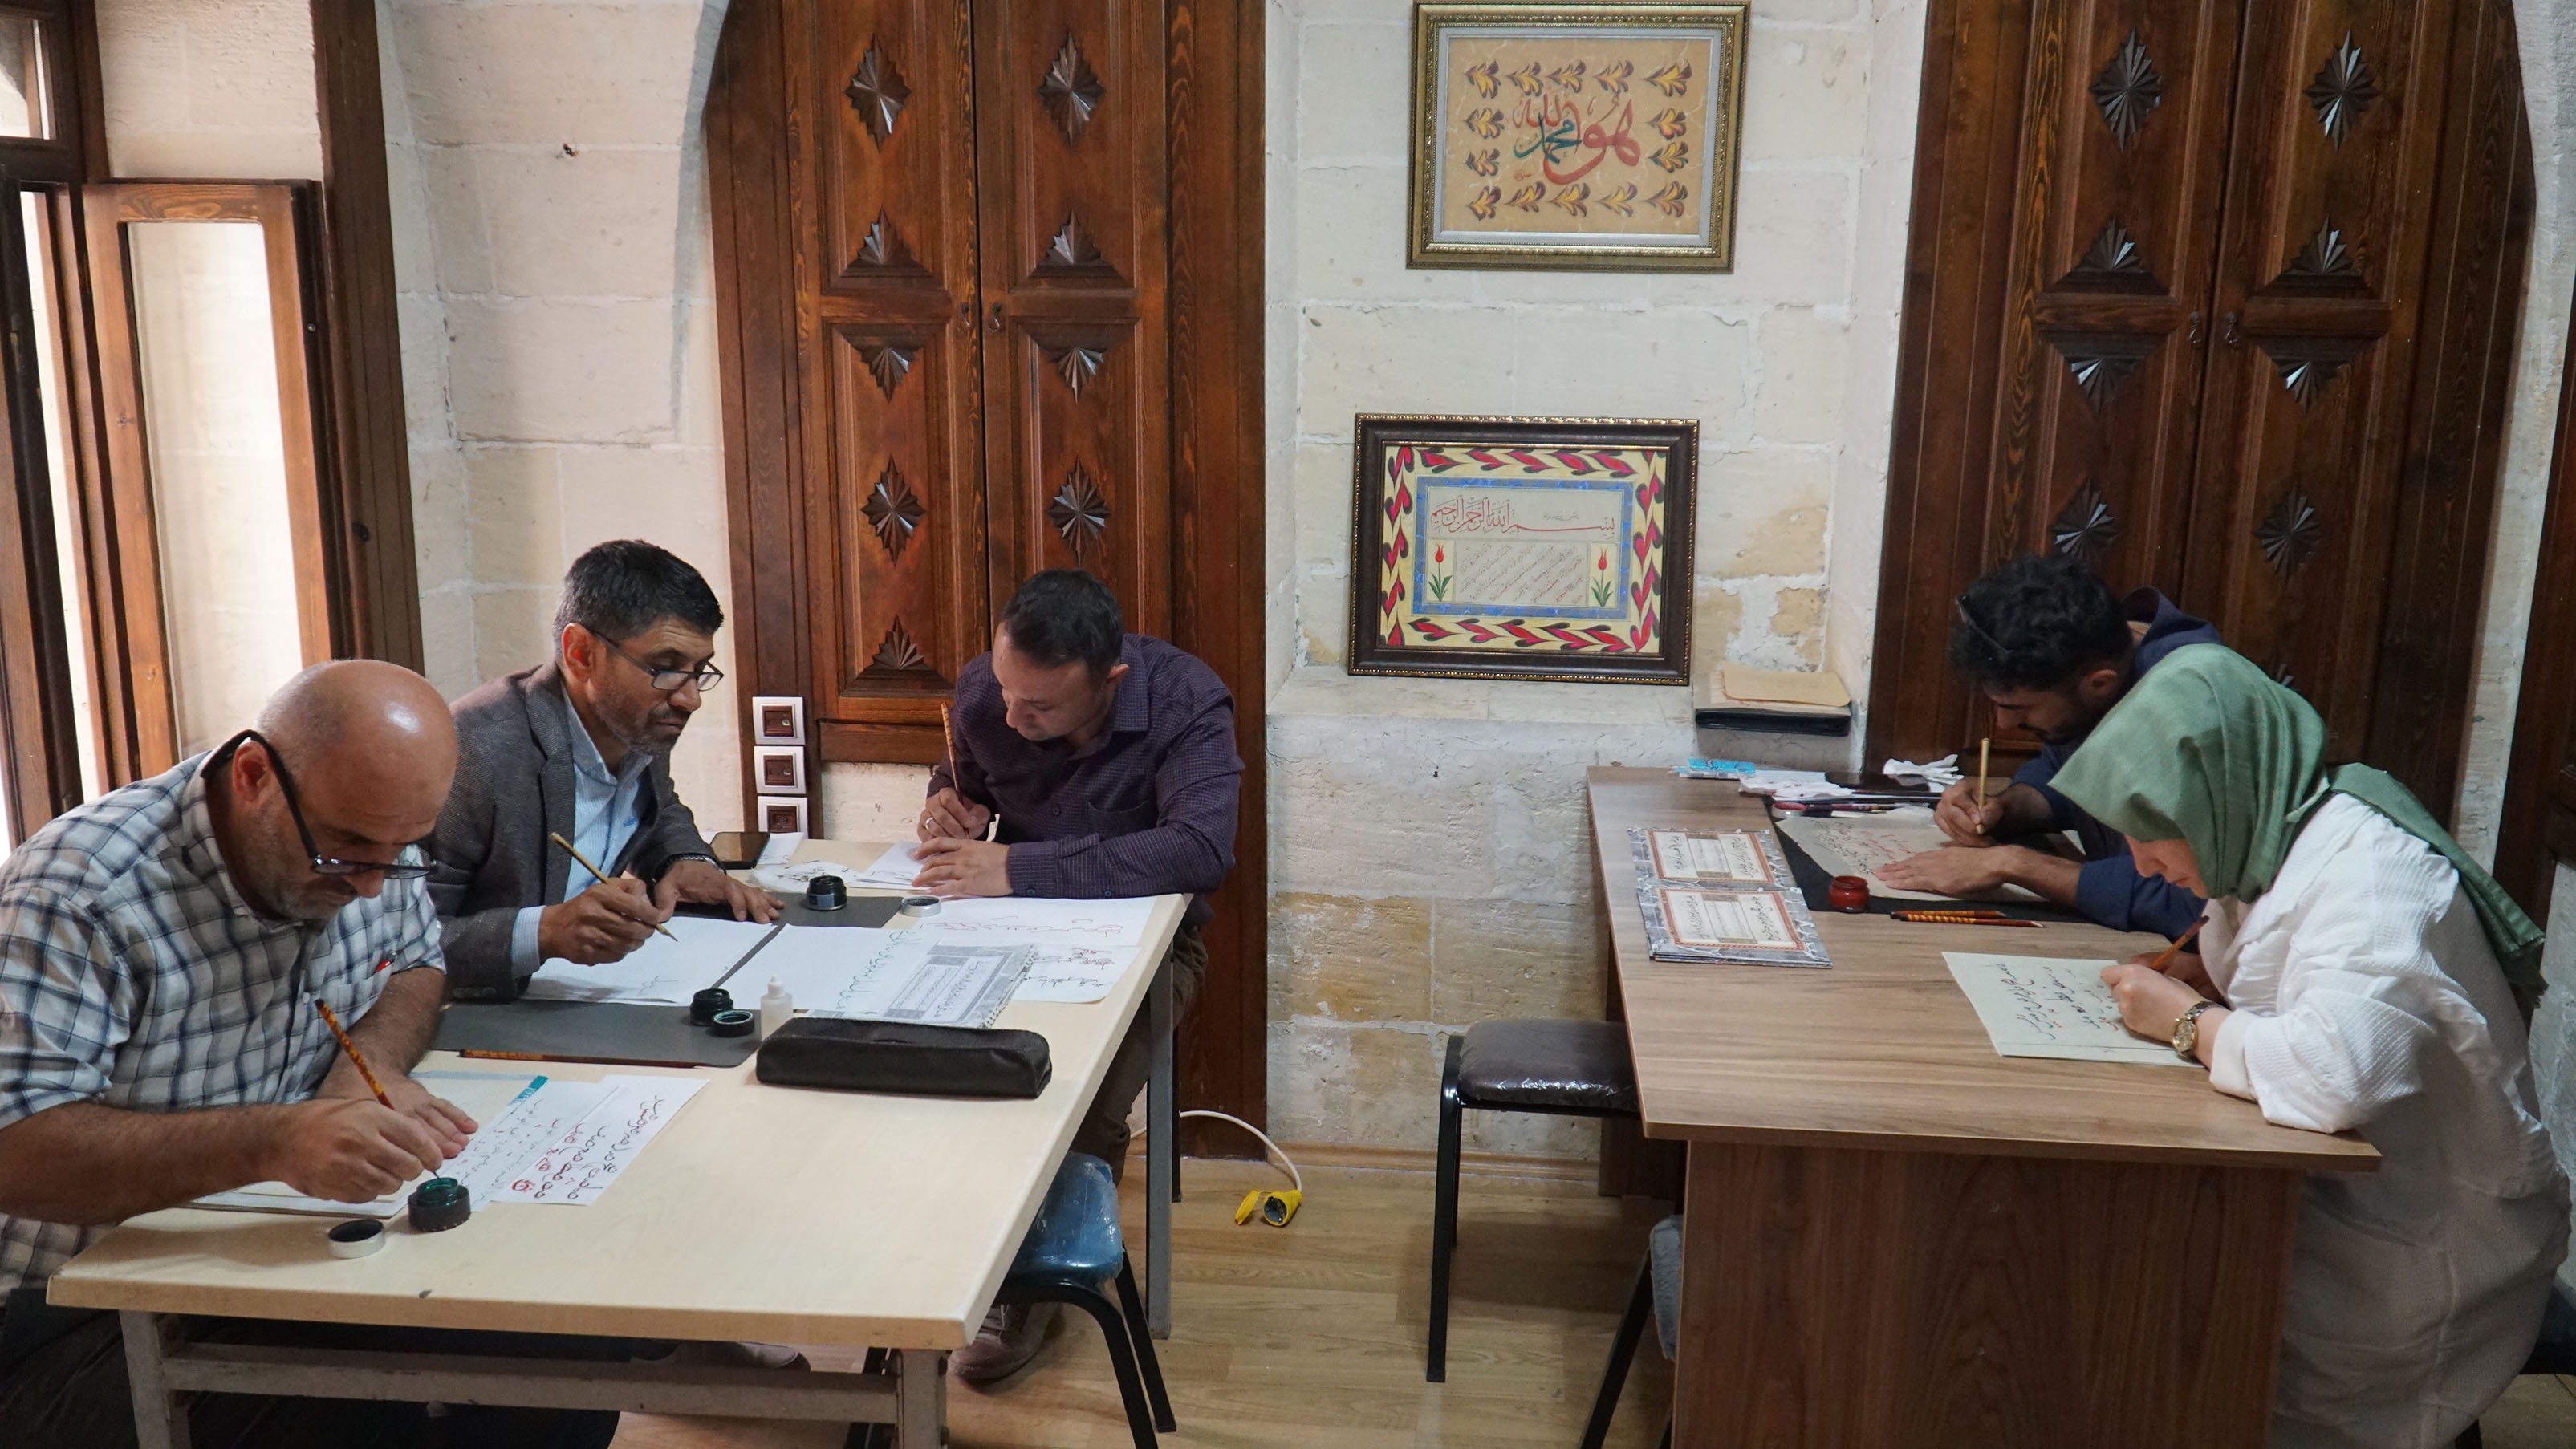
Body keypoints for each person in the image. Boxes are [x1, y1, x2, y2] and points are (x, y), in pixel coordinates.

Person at [0, 660, 621, 1449]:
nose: (371, 888)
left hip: (267, 1244)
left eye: (400, 853)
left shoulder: (373, 841)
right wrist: (276, 1141)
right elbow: (15, 1152)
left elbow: (416, 963)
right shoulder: (80, 894)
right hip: (66, 1313)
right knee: (352, 1416)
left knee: (565, 1352)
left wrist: (370, 1067)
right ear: (253, 776)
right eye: (346, 852)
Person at [2053, 645, 2564, 1448]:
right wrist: (2208, 983)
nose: (2144, 863)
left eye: (2156, 836)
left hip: (2418, 1247)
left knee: (2180, 1331)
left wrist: (2188, 1022)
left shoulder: (2375, 880)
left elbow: (2336, 1076)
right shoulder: (2277, 835)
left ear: (2220, 793)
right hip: (2337, 1201)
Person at [914, 569, 1241, 1386]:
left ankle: (1033, 1286)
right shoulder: (989, 693)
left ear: (1110, 680)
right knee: (920, 1057)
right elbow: (962, 782)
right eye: (1004, 691)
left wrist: (1017, 868)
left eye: (1039, 707)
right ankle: (934, 1256)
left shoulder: (1185, 701)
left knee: (1072, 1095)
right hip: (999, 931)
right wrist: (945, 805)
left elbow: (1199, 851)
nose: (1011, 717)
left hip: (1150, 951)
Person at [431, 540, 775, 1001]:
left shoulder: (634, 717)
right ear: (581, 653)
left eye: (699, 670)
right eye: (666, 668)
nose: (690, 699)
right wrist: (544, 933)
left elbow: (656, 807)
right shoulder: (471, 753)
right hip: (481, 1016)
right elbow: (398, 946)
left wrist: (684, 861)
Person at [1878, 552, 2219, 939]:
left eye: (2016, 707)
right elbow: (2064, 773)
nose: (2004, 724)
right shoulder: (2100, 662)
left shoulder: (2188, 713)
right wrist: (2005, 809)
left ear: (2099, 684)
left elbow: (2190, 903)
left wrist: (2015, 864)